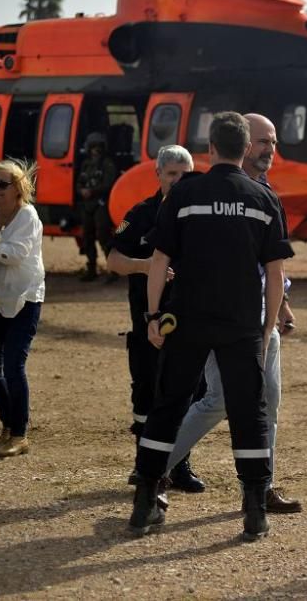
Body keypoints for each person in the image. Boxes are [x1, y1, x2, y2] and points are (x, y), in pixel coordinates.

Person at [129, 112, 293, 541]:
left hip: (187, 321)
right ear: (244, 149)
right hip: (241, 324)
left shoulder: (185, 193)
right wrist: (267, 327)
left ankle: (144, 502)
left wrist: (151, 317)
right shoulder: (263, 199)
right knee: (249, 412)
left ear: (211, 149)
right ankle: (254, 510)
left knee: (168, 406)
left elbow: (159, 260)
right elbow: (274, 274)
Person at [164, 114, 302, 513]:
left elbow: (272, 264)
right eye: (262, 141)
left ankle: (263, 485)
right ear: (242, 145)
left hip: (262, 318)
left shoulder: (266, 193)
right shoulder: (207, 193)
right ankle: (155, 466)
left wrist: (282, 305)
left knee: (267, 405)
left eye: (273, 141)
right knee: (220, 400)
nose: (269, 149)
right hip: (220, 318)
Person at [108, 145, 205, 492]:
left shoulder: (200, 216)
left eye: (185, 174)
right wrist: (146, 266)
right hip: (147, 321)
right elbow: (113, 259)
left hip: (189, 322)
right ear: (158, 175)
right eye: (172, 174)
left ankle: (179, 466)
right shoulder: (141, 214)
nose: (178, 181)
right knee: (146, 395)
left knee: (189, 395)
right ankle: (143, 466)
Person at [0, 160, 45, 458]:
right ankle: (8, 427)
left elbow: (14, 254)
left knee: (13, 365)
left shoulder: (28, 216)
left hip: (25, 299)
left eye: (2, 184)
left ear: (19, 188)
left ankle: (20, 434)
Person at [76, 132, 118, 282]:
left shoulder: (108, 164)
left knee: (103, 236)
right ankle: (91, 268)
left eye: (98, 147)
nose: (95, 150)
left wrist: (92, 191)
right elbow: (79, 182)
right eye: (93, 147)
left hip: (101, 204)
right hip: (87, 205)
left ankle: (113, 270)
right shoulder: (86, 164)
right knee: (87, 236)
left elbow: (109, 184)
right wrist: (81, 191)